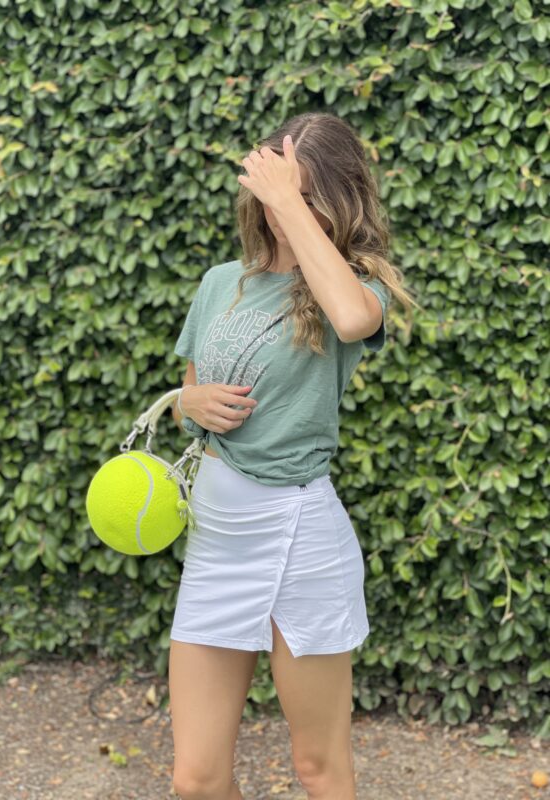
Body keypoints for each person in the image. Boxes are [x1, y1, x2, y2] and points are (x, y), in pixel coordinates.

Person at [168, 112, 416, 800]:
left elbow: (354, 321)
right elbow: (193, 386)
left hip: (299, 539)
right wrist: (186, 403)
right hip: (218, 542)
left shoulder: (350, 285)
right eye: (278, 195)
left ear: (333, 200)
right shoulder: (223, 281)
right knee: (196, 779)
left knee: (319, 769)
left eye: (305, 197)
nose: (284, 213)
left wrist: (287, 201)